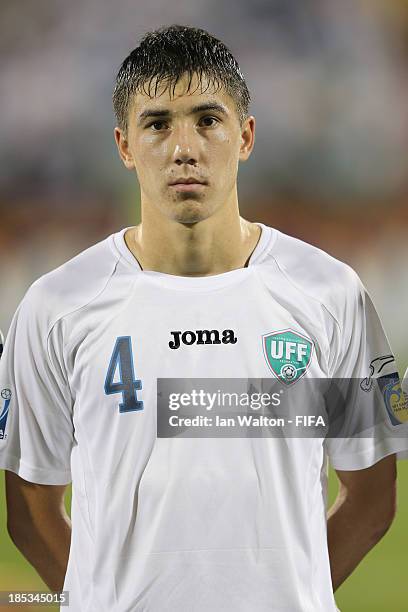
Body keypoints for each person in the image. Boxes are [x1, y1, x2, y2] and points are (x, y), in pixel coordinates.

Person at [1, 24, 407, 612]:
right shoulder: (56, 307)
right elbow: (30, 510)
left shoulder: (332, 294)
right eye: (158, 124)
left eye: (207, 120)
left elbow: (373, 497)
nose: (184, 148)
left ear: (244, 136)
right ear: (124, 145)